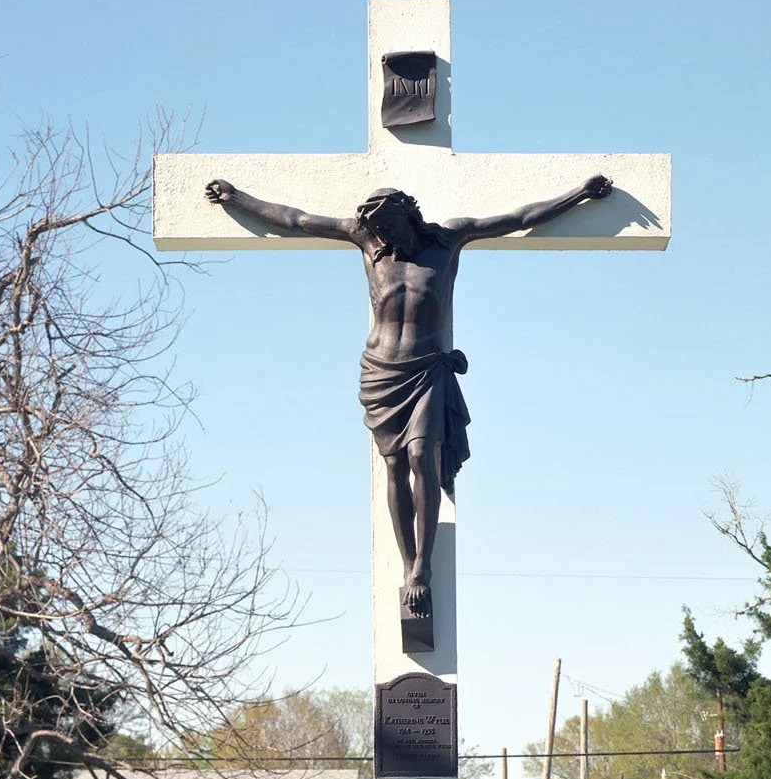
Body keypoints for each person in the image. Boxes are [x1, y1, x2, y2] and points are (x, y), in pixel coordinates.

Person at [204, 173, 613, 628]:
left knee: (422, 455)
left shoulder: (449, 239)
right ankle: (407, 564)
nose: (386, 240)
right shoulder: (367, 240)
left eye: (391, 229)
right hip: (381, 372)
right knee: (395, 466)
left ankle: (423, 565)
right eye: (378, 233)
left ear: (408, 215)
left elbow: (518, 219)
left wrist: (578, 195)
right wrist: (237, 198)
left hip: (427, 369)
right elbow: (296, 220)